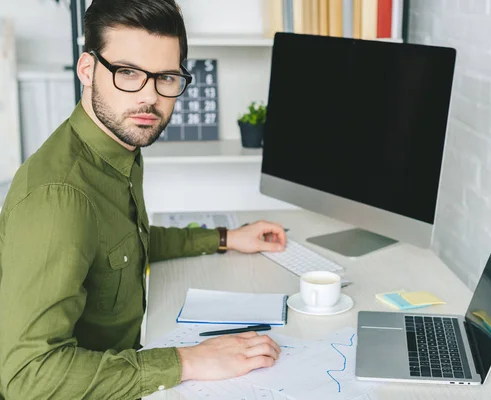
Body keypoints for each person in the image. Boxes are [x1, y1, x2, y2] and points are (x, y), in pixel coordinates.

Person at [0, 0, 287, 398]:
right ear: (88, 69)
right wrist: (187, 361)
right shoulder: (59, 199)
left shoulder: (118, 147)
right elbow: (27, 378)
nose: (149, 98)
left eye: (166, 78)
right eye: (128, 73)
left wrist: (225, 238)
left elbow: (126, 245)